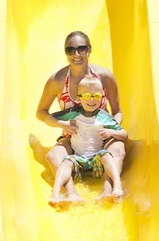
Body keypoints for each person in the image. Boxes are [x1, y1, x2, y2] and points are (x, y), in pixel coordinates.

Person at [36, 30, 126, 204]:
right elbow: (41, 112)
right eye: (70, 50)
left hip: (101, 135)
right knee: (52, 156)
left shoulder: (104, 77)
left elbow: (118, 111)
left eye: (81, 49)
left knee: (118, 149)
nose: (76, 54)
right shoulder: (57, 80)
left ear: (89, 50)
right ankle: (71, 193)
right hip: (73, 136)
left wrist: (112, 128)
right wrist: (62, 125)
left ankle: (107, 191)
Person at [48, 76, 127, 208]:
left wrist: (111, 132)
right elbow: (50, 118)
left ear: (102, 97)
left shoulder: (104, 117)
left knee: (106, 155)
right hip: (78, 161)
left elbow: (124, 134)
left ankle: (117, 186)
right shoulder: (73, 113)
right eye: (86, 95)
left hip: (97, 162)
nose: (91, 100)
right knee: (66, 162)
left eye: (96, 96)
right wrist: (65, 124)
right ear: (78, 98)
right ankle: (56, 194)